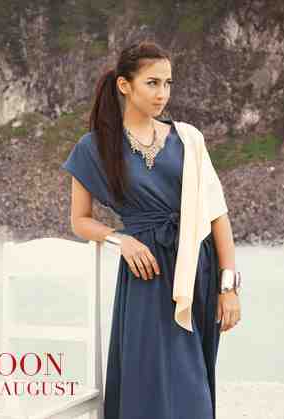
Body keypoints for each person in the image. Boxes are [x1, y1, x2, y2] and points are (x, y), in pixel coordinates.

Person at [61, 40, 241, 419]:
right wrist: (120, 240)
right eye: (153, 83)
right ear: (125, 85)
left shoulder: (188, 139)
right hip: (146, 273)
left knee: (193, 386)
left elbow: (217, 215)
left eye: (168, 83)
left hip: (196, 268)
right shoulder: (94, 147)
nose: (163, 94)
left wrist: (229, 289)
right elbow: (80, 220)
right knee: (147, 380)